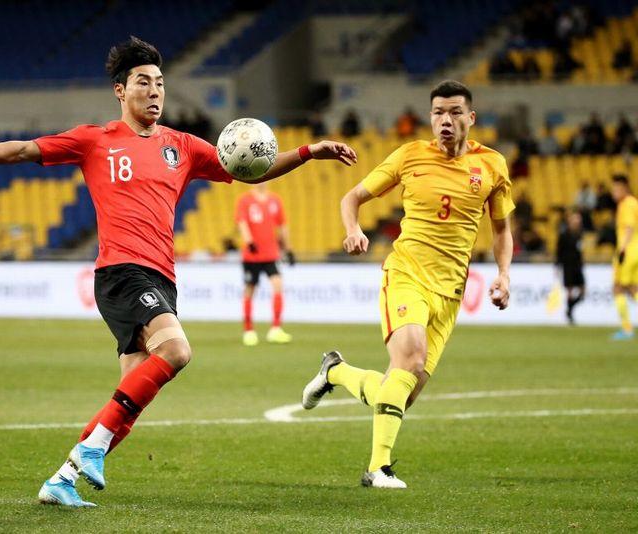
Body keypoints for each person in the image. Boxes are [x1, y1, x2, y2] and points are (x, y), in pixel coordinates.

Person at [0, 37, 357, 507]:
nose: (155, 92)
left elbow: (252, 169)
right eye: (143, 82)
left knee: (127, 401)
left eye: (160, 84)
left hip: (162, 278)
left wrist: (309, 151)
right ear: (120, 90)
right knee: (176, 350)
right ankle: (89, 451)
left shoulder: (182, 146)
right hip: (121, 272)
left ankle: (61, 480)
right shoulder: (95, 140)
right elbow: (24, 149)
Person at [301, 80, 514, 489]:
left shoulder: (492, 165)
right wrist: (353, 230)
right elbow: (351, 198)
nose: (445, 120)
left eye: (454, 112)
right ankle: (378, 469)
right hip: (407, 275)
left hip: (450, 293)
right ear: (430, 118)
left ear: (471, 118)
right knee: (411, 359)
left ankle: (336, 372)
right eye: (438, 113)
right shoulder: (410, 155)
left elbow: (502, 229)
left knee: (401, 391)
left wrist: (504, 275)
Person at [235, 182, 294, 346]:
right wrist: (249, 241)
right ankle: (249, 331)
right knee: (250, 289)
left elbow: (282, 225)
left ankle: (275, 329)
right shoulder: (245, 200)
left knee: (278, 285)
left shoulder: (275, 200)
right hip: (252, 255)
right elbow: (242, 222)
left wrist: (288, 249)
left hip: (271, 254)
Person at [610, 175, 638, 340]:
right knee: (634, 289)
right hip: (636, 251)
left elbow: (629, 227)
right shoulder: (635, 203)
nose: (613, 193)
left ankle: (626, 329)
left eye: (615, 189)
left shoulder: (626, 205)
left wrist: (622, 250)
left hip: (627, 252)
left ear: (624, 188)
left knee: (618, 288)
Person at [556, 210, 585, 324]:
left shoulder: (580, 234)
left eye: (579, 219)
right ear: (570, 220)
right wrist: (557, 265)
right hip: (567, 266)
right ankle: (570, 314)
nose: (577, 221)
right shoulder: (564, 235)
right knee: (569, 291)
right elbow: (559, 252)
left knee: (583, 292)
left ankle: (570, 308)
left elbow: (580, 251)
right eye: (575, 219)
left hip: (578, 266)